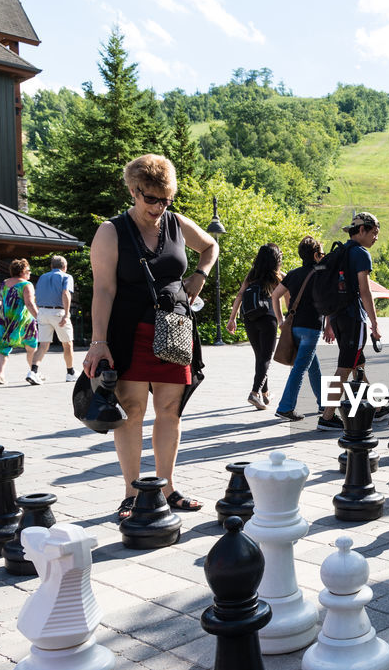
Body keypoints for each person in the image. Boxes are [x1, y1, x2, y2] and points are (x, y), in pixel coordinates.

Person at [83, 154, 219, 520]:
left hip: (174, 331)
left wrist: (200, 274)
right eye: (151, 199)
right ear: (133, 190)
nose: (159, 207)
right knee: (133, 413)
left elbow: (211, 246)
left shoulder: (176, 223)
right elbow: (104, 291)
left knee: (170, 412)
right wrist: (99, 342)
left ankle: (167, 487)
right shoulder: (111, 232)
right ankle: (132, 494)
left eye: (165, 199)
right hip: (128, 333)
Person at [317, 211, 383, 431]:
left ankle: (377, 406)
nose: (376, 237)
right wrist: (374, 323)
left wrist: (329, 322)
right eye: (374, 232)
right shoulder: (361, 254)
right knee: (344, 368)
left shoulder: (341, 251)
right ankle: (327, 417)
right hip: (354, 317)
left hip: (337, 316)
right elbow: (365, 291)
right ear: (362, 230)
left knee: (357, 363)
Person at [271, 236, 326, 421]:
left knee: (313, 367)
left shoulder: (293, 274)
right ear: (317, 254)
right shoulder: (321, 273)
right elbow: (331, 301)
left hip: (293, 327)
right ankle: (285, 407)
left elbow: (275, 296)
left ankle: (324, 403)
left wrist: (280, 320)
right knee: (300, 368)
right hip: (312, 327)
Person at [227, 243, 283, 411]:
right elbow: (287, 291)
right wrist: (284, 320)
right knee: (265, 358)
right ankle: (254, 393)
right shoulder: (276, 276)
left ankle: (264, 395)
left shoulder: (252, 274)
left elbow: (240, 294)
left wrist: (232, 319)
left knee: (260, 357)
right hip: (268, 318)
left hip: (250, 318)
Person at [0, 258, 40, 385]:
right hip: (23, 321)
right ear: (22, 271)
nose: (30, 273)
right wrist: (39, 318)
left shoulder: (4, 283)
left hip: (5, 320)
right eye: (28, 270)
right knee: (31, 347)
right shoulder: (26, 285)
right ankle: (33, 373)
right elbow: (29, 304)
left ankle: (0, 375)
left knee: (3, 348)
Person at [31, 255, 76, 383]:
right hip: (58, 312)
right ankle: (70, 372)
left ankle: (33, 371)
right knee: (67, 343)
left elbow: (36, 295)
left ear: (51, 266)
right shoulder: (67, 277)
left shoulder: (42, 277)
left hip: (43, 312)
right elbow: (65, 293)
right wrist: (66, 314)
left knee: (43, 345)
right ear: (65, 267)